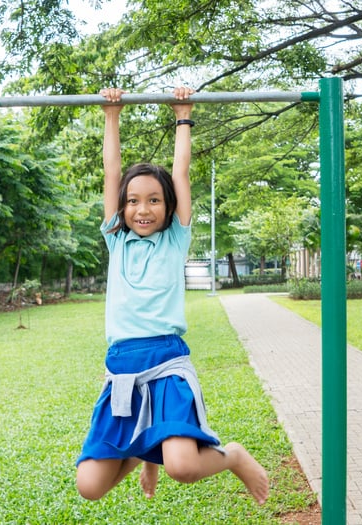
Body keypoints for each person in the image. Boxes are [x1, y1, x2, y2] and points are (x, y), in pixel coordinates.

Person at [75, 86, 269, 506]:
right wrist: (112, 115)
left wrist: (184, 114)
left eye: (154, 201)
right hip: (123, 371)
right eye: (133, 201)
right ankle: (147, 453)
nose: (142, 209)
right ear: (122, 209)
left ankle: (232, 455)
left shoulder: (174, 241)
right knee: (89, 487)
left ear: (168, 207)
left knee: (183, 468)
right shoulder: (116, 240)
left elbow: (181, 173)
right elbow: (112, 174)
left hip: (165, 364)